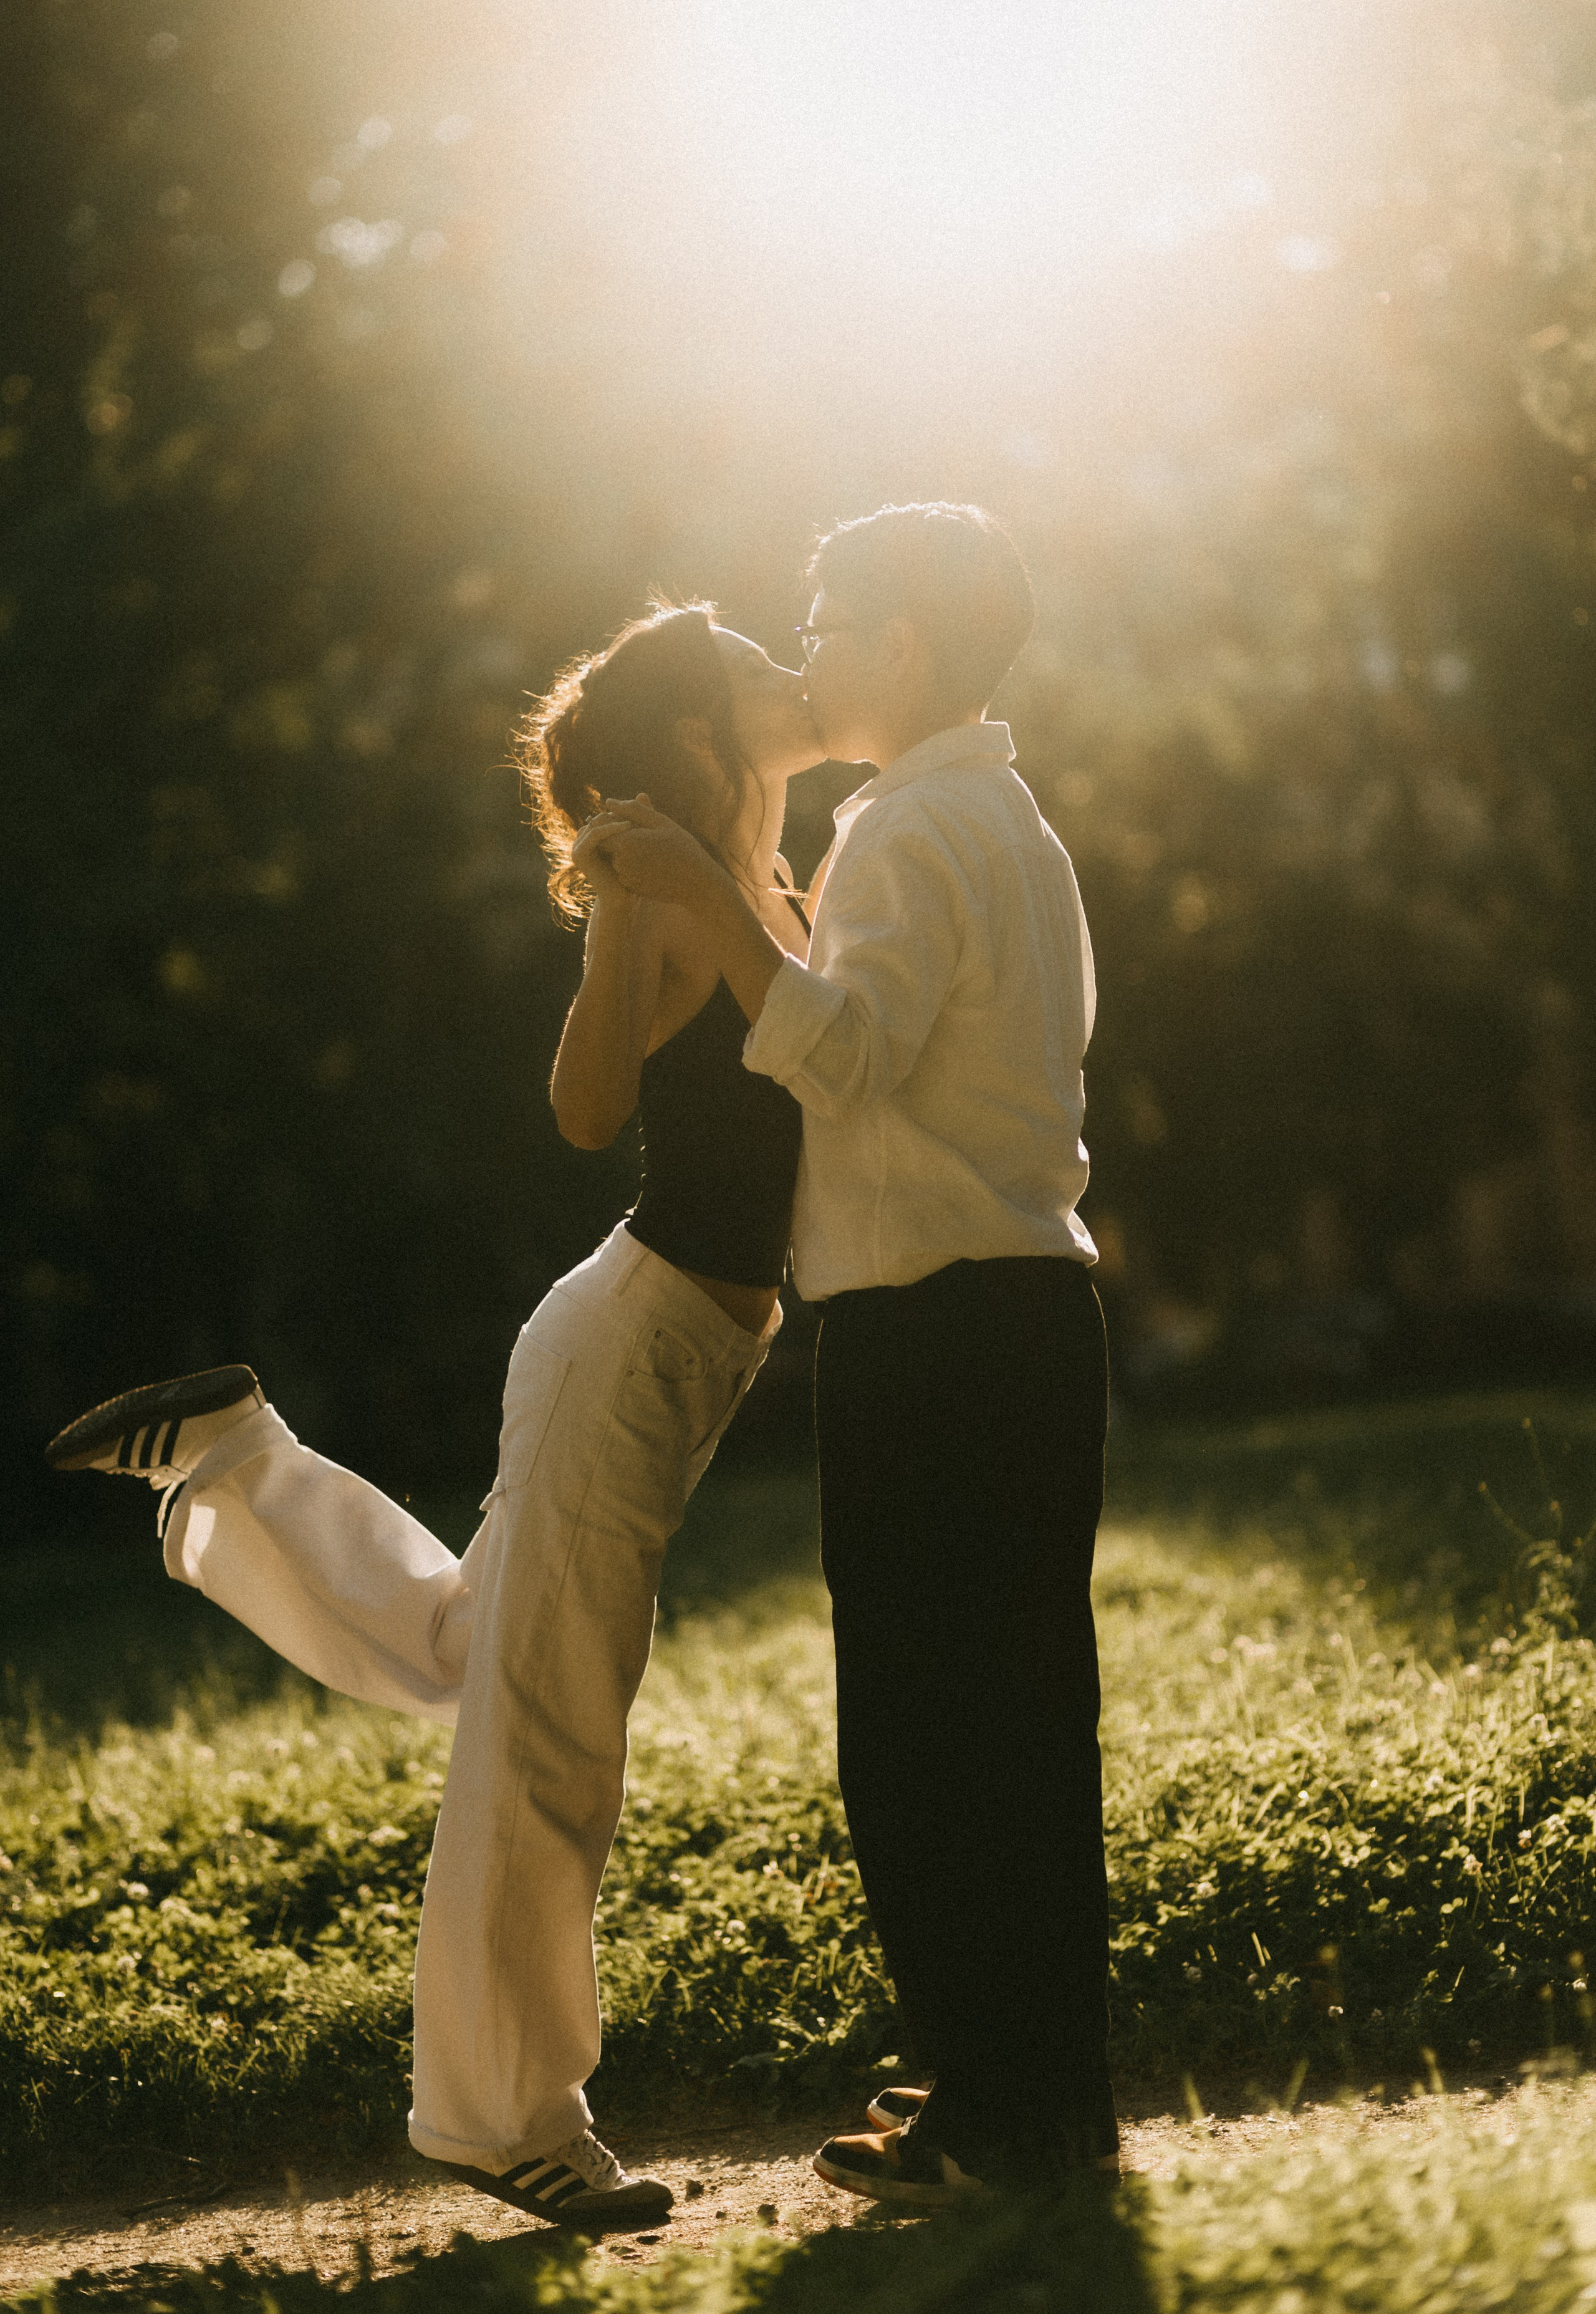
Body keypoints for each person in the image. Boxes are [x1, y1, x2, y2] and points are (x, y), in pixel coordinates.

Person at [44, 603, 819, 2234]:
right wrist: (621, 915)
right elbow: (584, 1110)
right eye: (754, 668)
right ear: (697, 732)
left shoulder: (759, 885)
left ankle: (240, 1460)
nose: (787, 681)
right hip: (638, 1332)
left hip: (664, 1347)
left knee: (476, 1654)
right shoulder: (670, 897)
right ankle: (510, 2117)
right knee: (545, 1740)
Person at [596, 504, 1118, 2207]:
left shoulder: (904, 832)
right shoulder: (1010, 825)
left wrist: (710, 906)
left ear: (901, 643)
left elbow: (849, 1060)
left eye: (825, 623)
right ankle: (1028, 2090)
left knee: (917, 1732)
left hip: (933, 1327)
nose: (806, 655)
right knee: (1024, 1722)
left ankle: (998, 2106)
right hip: (1033, 1314)